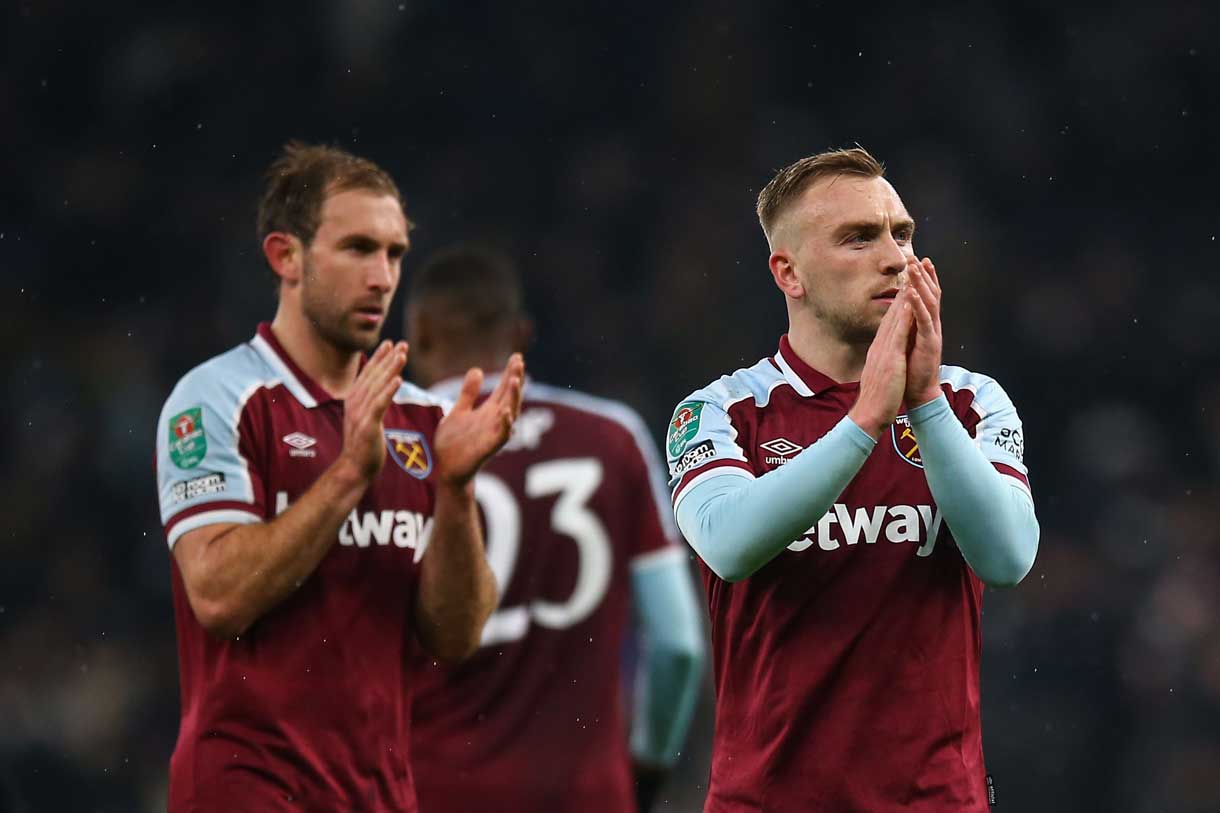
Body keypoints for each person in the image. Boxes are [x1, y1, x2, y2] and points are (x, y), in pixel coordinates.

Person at [153, 143, 525, 813]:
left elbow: (456, 635)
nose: (383, 276)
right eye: (357, 248)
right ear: (285, 257)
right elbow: (218, 595)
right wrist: (349, 473)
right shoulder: (216, 398)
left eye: (394, 252)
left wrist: (456, 490)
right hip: (246, 790)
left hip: (379, 794)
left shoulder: (424, 419)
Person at [666, 147, 1039, 812]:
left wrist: (921, 402)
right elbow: (728, 541)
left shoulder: (969, 402)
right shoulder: (720, 411)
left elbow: (1008, 557)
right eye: (859, 237)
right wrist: (866, 417)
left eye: (903, 233)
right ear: (790, 273)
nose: (896, 257)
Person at [404, 246, 707, 813]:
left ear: (419, 334)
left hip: (430, 792)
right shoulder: (613, 438)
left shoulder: (396, 448)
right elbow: (678, 645)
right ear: (521, 334)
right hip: (586, 795)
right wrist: (648, 769)